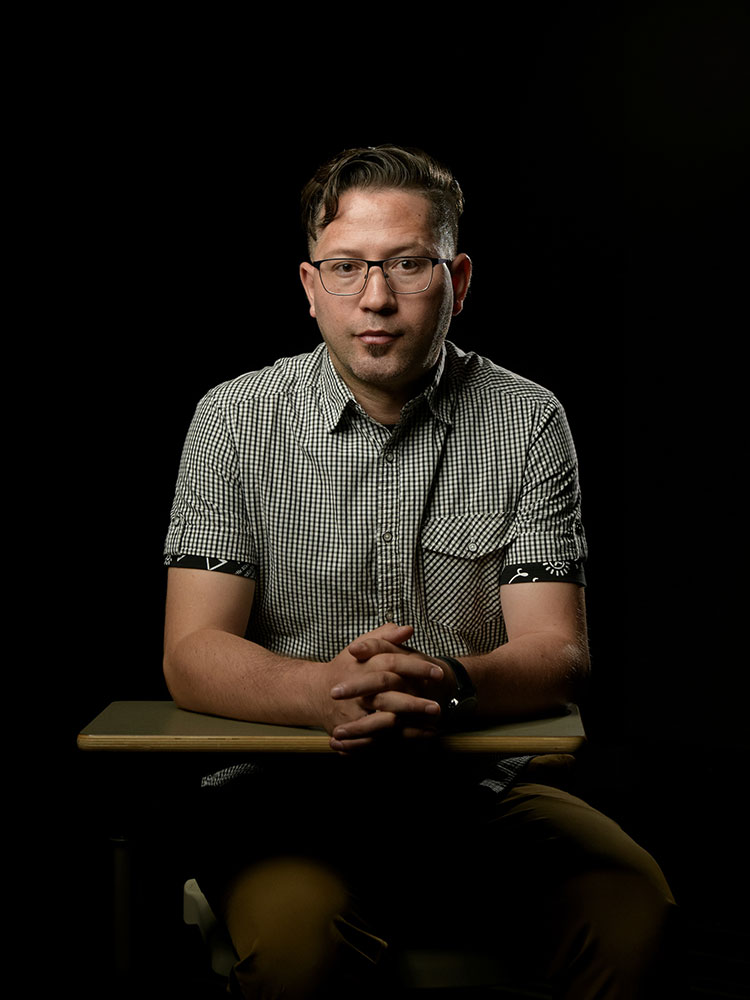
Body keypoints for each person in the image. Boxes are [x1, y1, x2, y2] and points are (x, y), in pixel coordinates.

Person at [163, 145, 676, 998]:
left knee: (635, 913)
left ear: (458, 278)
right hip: (280, 793)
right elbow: (191, 649)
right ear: (307, 284)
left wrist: (443, 683)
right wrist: (324, 693)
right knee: (299, 950)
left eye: (408, 263)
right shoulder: (233, 419)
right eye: (346, 267)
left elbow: (559, 653)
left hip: (476, 787)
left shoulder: (527, 418)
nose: (376, 297)